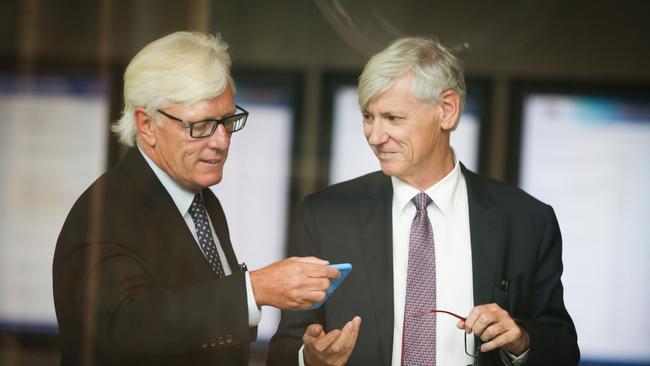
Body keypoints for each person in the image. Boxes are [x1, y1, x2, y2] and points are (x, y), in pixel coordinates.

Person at [268, 37, 579, 366]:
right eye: (368, 116)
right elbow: (285, 348)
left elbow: (562, 350)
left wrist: (521, 340)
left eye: (393, 118)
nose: (375, 135)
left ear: (447, 110)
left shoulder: (526, 220)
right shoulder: (326, 215)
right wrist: (310, 359)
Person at [52, 31, 339, 366]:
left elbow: (206, 335)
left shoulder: (202, 200)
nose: (221, 141)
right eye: (201, 125)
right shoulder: (104, 211)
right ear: (146, 124)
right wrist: (254, 289)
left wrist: (307, 358)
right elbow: (126, 330)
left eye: (227, 121)